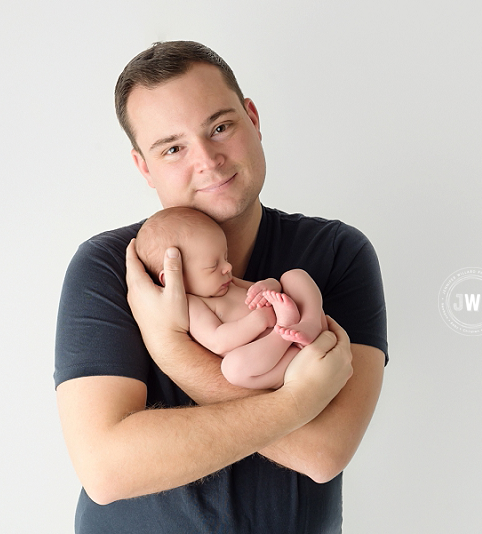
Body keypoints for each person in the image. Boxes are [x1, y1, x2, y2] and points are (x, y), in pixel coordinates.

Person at [55, 41, 388, 533]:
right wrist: (297, 404)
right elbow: (106, 469)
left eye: (220, 127)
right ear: (144, 167)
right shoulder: (112, 267)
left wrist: (172, 349)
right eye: (173, 148)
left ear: (252, 119)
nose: (208, 160)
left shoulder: (337, 252)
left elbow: (323, 451)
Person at [135, 206, 328, 389]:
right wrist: (258, 320)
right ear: (173, 277)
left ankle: (310, 323)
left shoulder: (225, 280)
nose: (227, 267)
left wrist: (269, 285)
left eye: (225, 257)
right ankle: (286, 335)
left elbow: (259, 289)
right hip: (275, 357)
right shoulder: (192, 305)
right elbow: (218, 341)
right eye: (213, 265)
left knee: (294, 276)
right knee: (233, 369)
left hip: (302, 331)